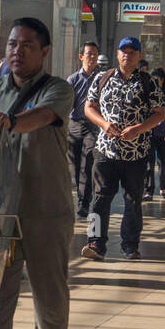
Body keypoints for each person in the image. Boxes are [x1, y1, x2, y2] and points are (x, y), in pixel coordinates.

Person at [0, 18, 76, 329]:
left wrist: (11, 120)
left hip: (46, 208)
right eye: (13, 44)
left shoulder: (58, 90)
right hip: (1, 208)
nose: (17, 52)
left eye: (27, 46)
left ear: (45, 51)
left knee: (48, 290)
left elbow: (43, 118)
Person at [81, 36, 162, 262]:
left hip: (136, 153)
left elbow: (160, 113)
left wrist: (139, 128)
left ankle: (130, 245)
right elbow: (89, 107)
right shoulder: (102, 78)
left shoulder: (148, 82)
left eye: (132, 52)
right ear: (117, 54)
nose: (127, 55)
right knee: (100, 198)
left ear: (139, 55)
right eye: (123, 51)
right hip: (105, 150)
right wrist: (104, 124)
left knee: (133, 200)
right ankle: (95, 242)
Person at [66, 41, 101, 218]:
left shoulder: (101, 79)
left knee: (87, 163)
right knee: (76, 163)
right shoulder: (73, 80)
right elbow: (66, 106)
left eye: (95, 54)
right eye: (89, 54)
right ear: (81, 57)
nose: (92, 57)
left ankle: (84, 203)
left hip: (92, 126)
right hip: (74, 125)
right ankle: (81, 196)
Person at [143, 67, 165, 200]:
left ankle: (163, 187)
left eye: (157, 80)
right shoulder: (147, 95)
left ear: (162, 80)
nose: (154, 83)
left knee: (163, 163)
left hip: (164, 134)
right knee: (148, 164)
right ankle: (148, 190)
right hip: (150, 134)